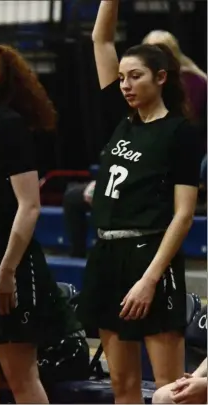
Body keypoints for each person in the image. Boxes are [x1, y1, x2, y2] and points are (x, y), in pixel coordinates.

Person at [77, 0, 203, 403]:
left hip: (150, 253)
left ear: (162, 77)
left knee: (172, 390)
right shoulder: (122, 117)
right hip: (107, 254)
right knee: (122, 386)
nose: (125, 85)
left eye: (135, 77)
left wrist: (149, 279)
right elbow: (100, 38)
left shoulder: (180, 132)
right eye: (121, 77)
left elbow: (183, 216)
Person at [0, 43, 82, 404]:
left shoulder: (7, 125)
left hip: (9, 261)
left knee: (20, 375)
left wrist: (8, 269)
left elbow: (30, 206)